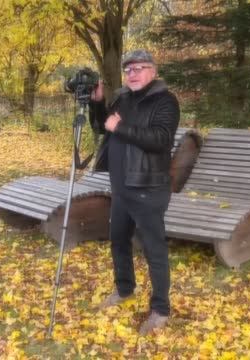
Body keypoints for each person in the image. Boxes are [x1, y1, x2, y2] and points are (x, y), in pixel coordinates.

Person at [89, 49, 180, 335]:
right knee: (118, 240)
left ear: (153, 71)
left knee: (153, 249)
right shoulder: (123, 98)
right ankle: (124, 289)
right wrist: (98, 104)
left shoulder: (165, 100)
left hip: (148, 187)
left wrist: (122, 127)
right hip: (121, 187)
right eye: (129, 69)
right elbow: (103, 126)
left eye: (140, 68)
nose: (133, 74)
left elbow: (160, 139)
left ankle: (161, 309)